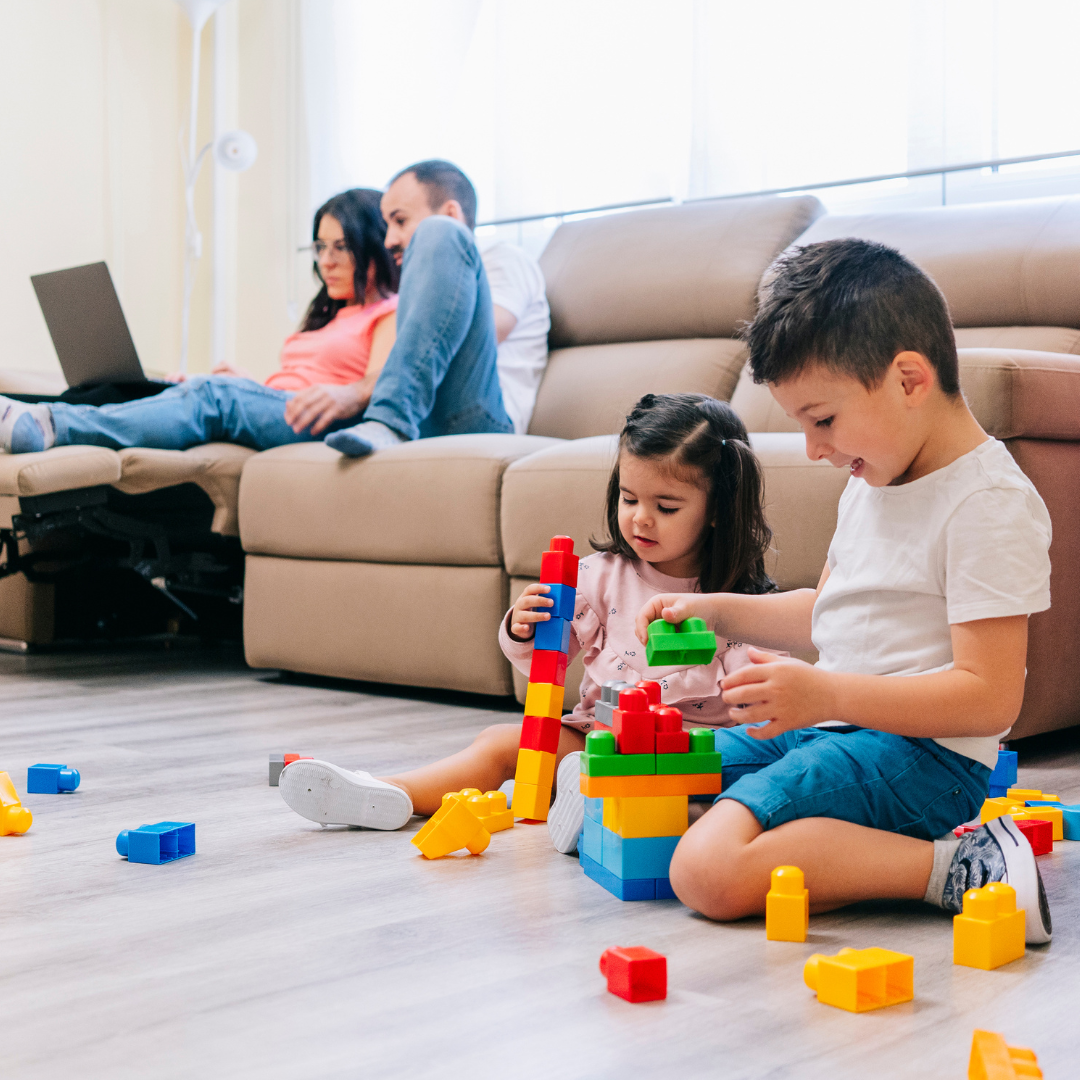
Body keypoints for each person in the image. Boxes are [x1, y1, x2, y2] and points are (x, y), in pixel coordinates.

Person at [632, 239, 1052, 941]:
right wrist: (715, 609)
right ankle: (799, 841)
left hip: (926, 759)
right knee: (651, 778)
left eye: (821, 420)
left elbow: (990, 696)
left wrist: (826, 693)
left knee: (704, 871)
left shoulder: (989, 501)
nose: (812, 449)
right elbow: (827, 616)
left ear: (909, 379)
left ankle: (959, 866)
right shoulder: (874, 477)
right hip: (834, 730)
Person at [275, 393, 777, 848]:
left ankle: (620, 813)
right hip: (593, 740)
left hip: (691, 755)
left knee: (724, 788)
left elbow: (762, 698)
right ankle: (386, 793)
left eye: (666, 507)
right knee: (499, 743)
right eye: (629, 499)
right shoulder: (602, 576)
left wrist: (752, 685)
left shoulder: (737, 604)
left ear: (718, 510)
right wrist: (524, 624)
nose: (640, 518)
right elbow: (546, 659)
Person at [0, 161, 549, 456]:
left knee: (440, 239)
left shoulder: (498, 259)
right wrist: (259, 386)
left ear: (452, 208)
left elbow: (452, 338)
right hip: (410, 408)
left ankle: (51, 424)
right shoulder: (404, 288)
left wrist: (366, 394)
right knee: (195, 392)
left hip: (473, 416)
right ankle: (41, 414)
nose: (391, 241)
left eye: (398, 223)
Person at [0, 188, 398, 454]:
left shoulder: (390, 311)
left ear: (375, 246)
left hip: (317, 420)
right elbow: (295, 382)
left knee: (215, 395)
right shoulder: (330, 316)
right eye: (320, 247)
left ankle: (51, 425)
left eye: (341, 248)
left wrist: (235, 390)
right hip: (282, 407)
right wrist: (252, 385)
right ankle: (24, 414)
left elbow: (375, 385)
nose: (325, 261)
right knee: (135, 389)